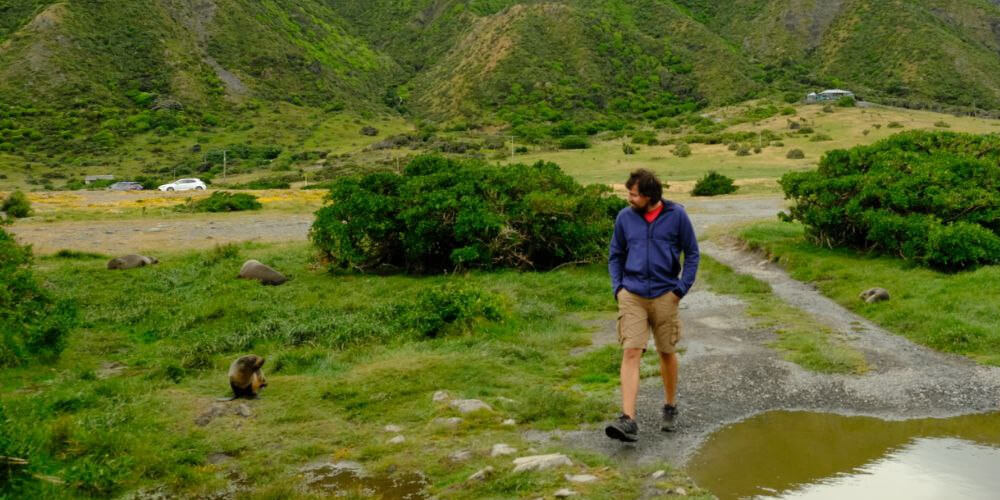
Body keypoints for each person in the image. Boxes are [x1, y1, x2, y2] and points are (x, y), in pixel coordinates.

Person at [605, 169, 699, 442]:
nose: (629, 198)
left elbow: (692, 253)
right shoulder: (624, 217)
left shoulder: (677, 216)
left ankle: (670, 406)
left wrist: (680, 289)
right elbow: (615, 255)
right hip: (631, 294)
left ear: (649, 196)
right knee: (631, 351)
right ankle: (628, 419)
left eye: (633, 194)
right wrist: (618, 289)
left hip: (665, 294)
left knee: (666, 351)